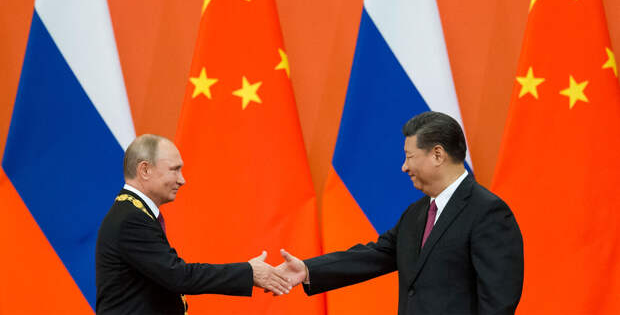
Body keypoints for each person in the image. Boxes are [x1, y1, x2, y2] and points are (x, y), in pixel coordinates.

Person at [275, 111, 524, 315]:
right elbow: (375, 255)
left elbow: (498, 302)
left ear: (437, 154)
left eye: (409, 157)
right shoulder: (416, 213)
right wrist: (307, 270)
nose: (404, 167)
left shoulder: (487, 212)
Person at [96, 134, 290, 315]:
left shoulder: (132, 212)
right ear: (145, 170)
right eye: (174, 170)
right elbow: (179, 276)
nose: (182, 180)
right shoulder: (131, 219)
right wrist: (249, 272)